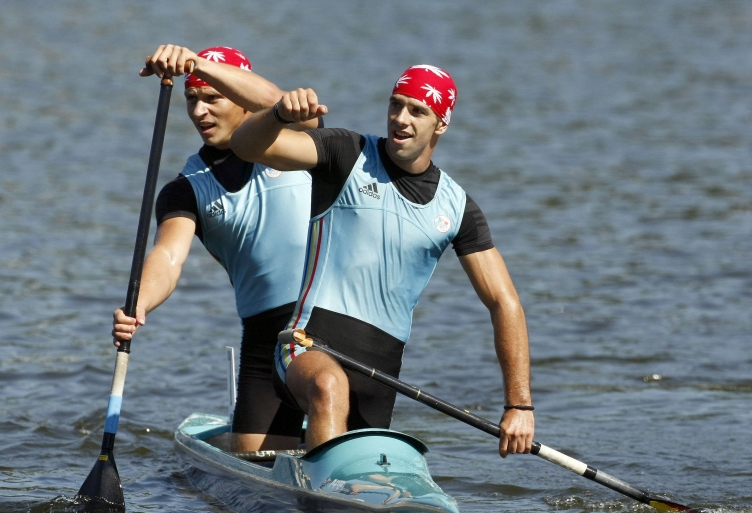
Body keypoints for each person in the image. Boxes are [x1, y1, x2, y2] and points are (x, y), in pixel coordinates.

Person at [230, 65, 534, 456]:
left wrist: (519, 405)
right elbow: (246, 147)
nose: (400, 119)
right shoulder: (345, 153)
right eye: (395, 105)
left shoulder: (458, 208)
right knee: (328, 387)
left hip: (380, 377)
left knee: (363, 487)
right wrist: (277, 116)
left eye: (416, 111)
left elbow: (504, 302)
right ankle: (326, 504)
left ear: (440, 125)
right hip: (305, 347)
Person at [112, 44, 320, 452]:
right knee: (255, 460)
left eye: (212, 97)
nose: (199, 112)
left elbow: (298, 109)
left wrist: (197, 62)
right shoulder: (186, 188)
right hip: (268, 337)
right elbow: (168, 257)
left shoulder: (293, 139)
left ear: (242, 97)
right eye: (191, 99)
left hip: (332, 318)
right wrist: (139, 306)